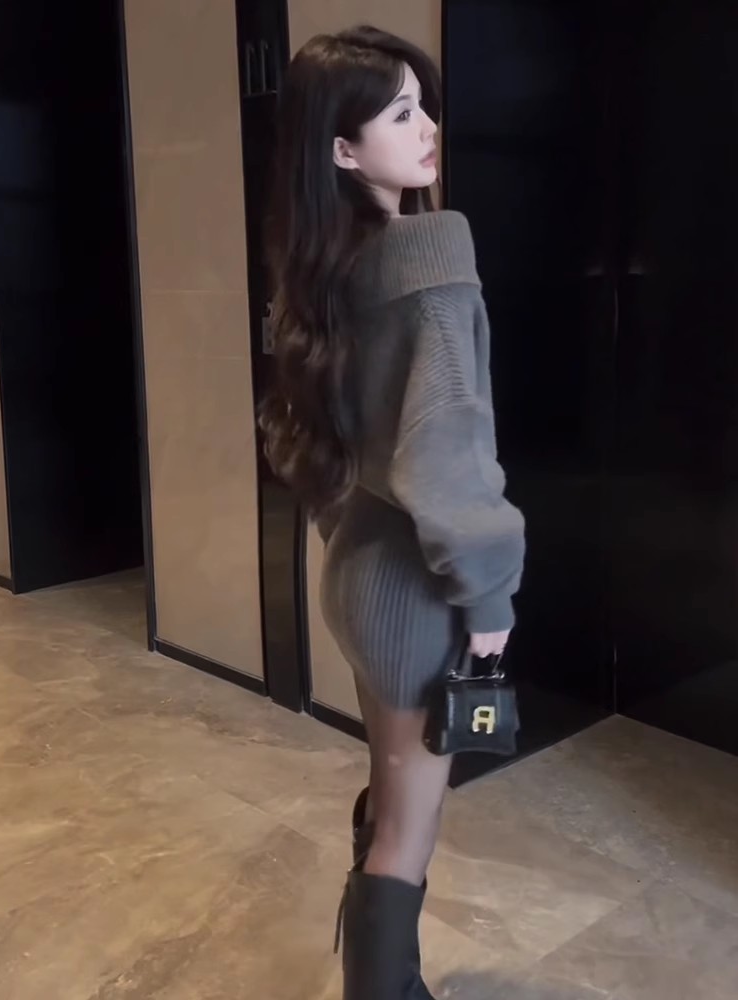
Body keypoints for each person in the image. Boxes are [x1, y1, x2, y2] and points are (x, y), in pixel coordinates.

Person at [260, 25, 526, 1000]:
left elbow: (328, 444)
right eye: (402, 113)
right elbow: (448, 452)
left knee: (390, 786)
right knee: (408, 835)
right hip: (416, 588)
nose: (428, 129)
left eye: (426, 106)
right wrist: (488, 594)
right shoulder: (430, 250)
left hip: (357, 575)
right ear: (342, 149)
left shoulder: (324, 270)